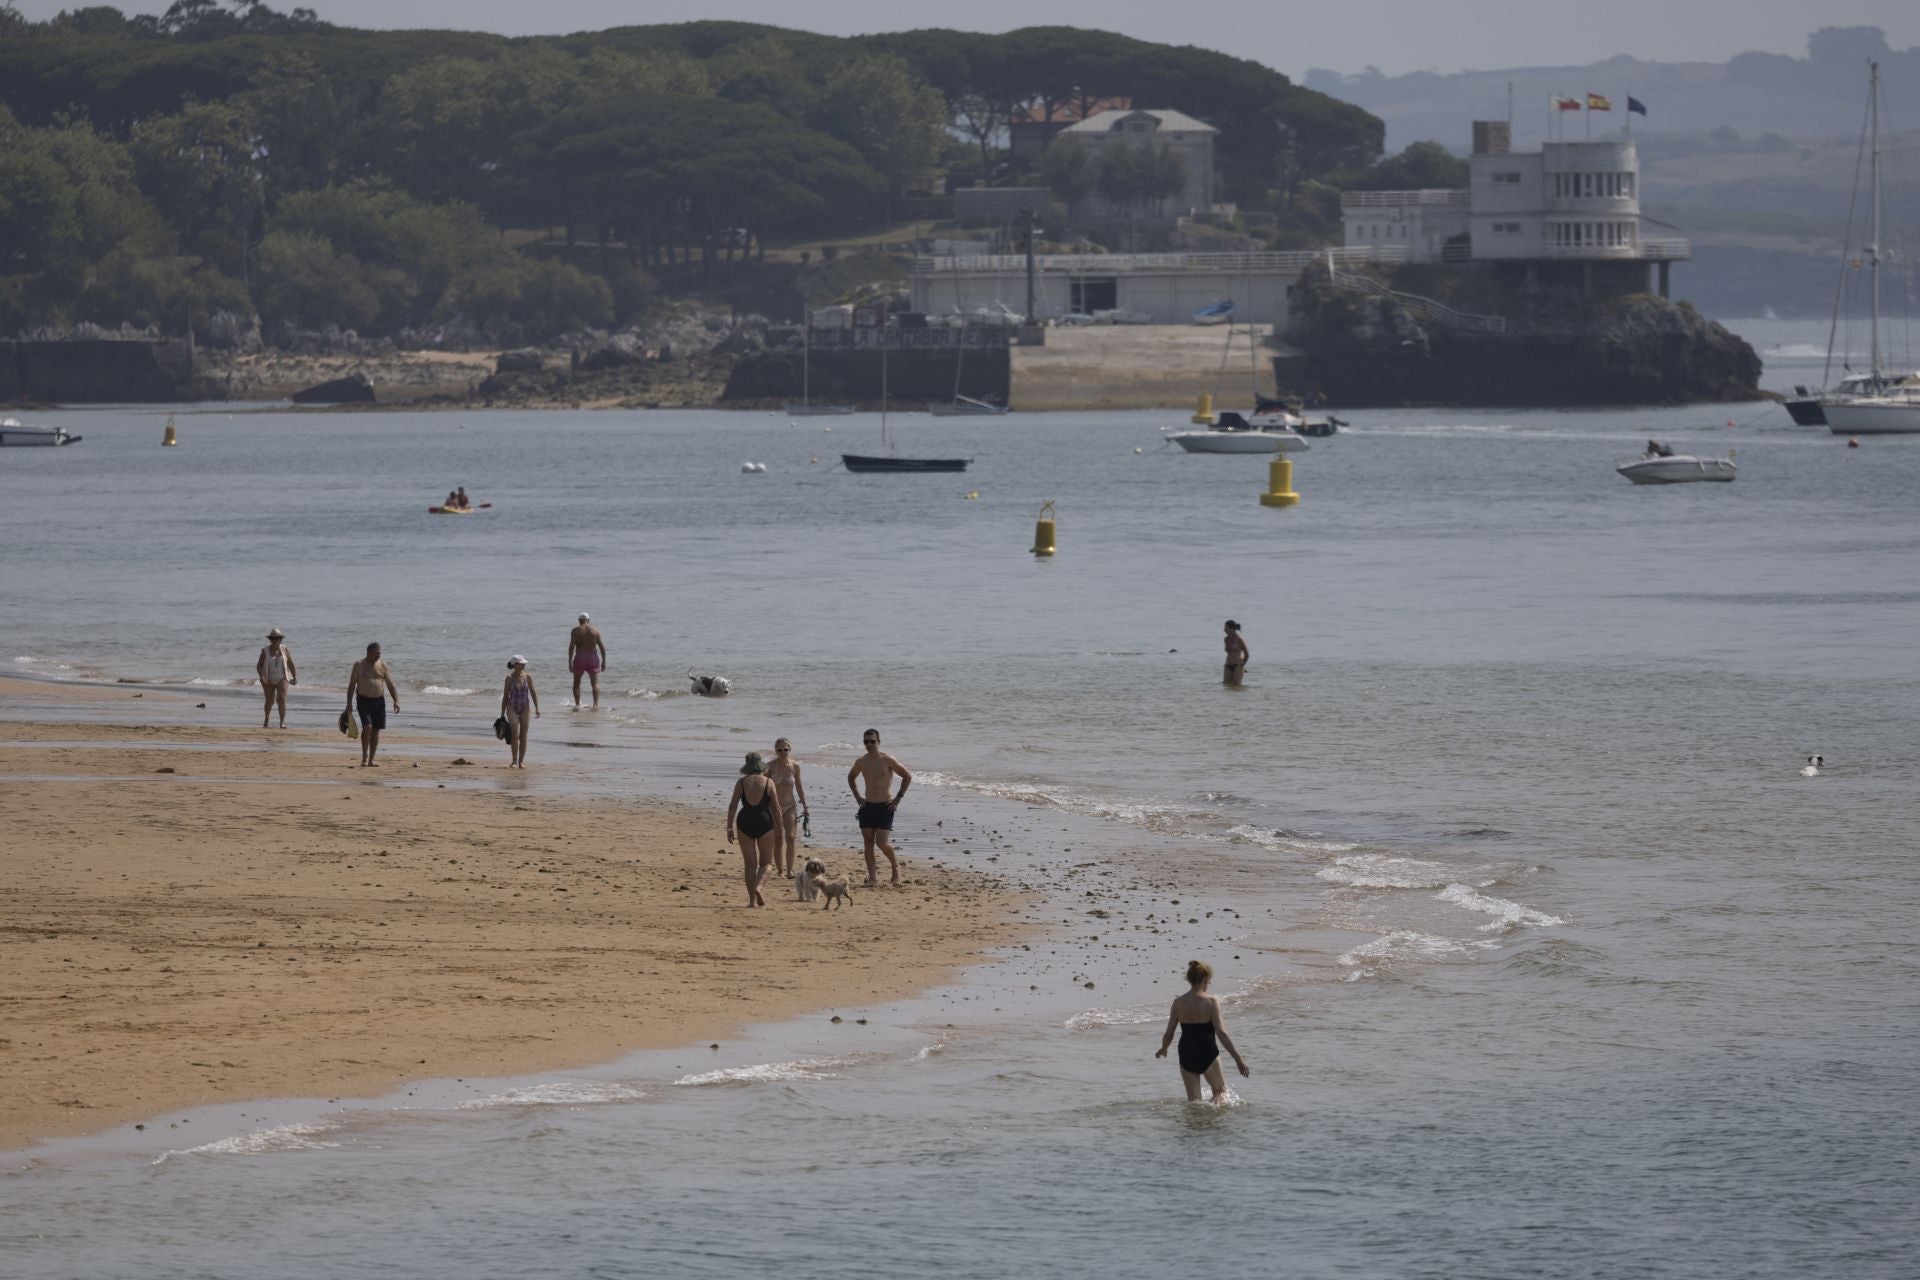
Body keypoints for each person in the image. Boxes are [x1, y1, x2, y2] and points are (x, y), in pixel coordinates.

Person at [1156, 959, 1250, 1103]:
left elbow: (1169, 1033)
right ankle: (1215, 1123)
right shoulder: (1211, 1001)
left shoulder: (1178, 1002)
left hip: (1186, 1054)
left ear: (1189, 979)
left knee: (1194, 1101)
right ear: (1205, 979)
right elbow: (1222, 1033)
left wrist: (1164, 1048)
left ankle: (1196, 1124)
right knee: (1220, 1092)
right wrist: (1238, 1059)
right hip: (1207, 1052)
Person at [847, 729, 911, 886]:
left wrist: (897, 799)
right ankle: (872, 878)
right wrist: (857, 795)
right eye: (866, 741)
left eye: (872, 741)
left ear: (878, 742)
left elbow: (907, 776)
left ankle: (895, 868)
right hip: (868, 806)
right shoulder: (861, 761)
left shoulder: (887, 759)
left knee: (881, 843)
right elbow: (851, 777)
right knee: (868, 843)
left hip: (885, 806)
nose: (869, 744)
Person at [726, 752, 784, 907]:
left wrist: (729, 827)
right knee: (766, 863)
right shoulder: (768, 782)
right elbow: (776, 808)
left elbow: (733, 806)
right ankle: (759, 887)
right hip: (765, 822)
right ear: (760, 766)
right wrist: (781, 828)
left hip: (745, 821)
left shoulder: (741, 783)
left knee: (750, 864)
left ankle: (751, 900)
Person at [345, 642, 399, 767]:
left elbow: (390, 684)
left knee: (376, 730)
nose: (378, 656)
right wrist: (349, 704)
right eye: (376, 653)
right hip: (363, 700)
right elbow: (352, 685)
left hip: (379, 701)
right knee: (367, 727)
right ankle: (364, 757)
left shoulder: (383, 665)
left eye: (379, 653)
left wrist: (396, 700)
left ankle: (371, 759)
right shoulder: (359, 665)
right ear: (369, 652)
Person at [766, 738, 810, 880]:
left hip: (790, 805)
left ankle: (790, 870)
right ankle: (780, 871)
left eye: (785, 749)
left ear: (790, 750)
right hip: (774, 807)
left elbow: (799, 787)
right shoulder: (769, 766)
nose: (783, 752)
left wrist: (805, 805)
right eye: (779, 750)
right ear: (775, 751)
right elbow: (763, 786)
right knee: (778, 838)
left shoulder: (795, 766)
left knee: (790, 837)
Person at [499, 656, 540, 768]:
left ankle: (521, 762)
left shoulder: (528, 677)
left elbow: (533, 693)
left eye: (524, 663)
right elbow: (506, 696)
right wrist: (502, 713)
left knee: (524, 735)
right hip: (512, 707)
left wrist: (537, 707)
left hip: (525, 707)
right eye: (521, 663)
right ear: (515, 665)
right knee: (514, 734)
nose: (524, 665)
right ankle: (514, 761)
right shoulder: (509, 678)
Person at [256, 628, 297, 728]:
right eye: (272, 639)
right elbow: (259, 665)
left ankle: (282, 722)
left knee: (281, 699)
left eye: (277, 639)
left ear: (280, 639)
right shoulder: (265, 650)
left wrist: (294, 677)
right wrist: (261, 676)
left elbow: (291, 664)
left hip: (282, 678)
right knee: (269, 701)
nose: (274, 641)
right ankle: (266, 718)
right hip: (268, 679)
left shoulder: (285, 649)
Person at [568, 612, 606, 709]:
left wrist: (569, 662)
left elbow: (571, 647)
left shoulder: (575, 631)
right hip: (592, 657)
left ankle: (577, 704)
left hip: (580, 657)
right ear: (588, 620)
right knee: (595, 683)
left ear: (579, 620)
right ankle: (595, 705)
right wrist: (604, 661)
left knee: (576, 683)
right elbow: (602, 647)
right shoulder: (595, 631)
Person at [1223, 620, 1248, 686]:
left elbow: (1247, 655)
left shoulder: (1239, 639)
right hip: (1227, 665)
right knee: (1226, 686)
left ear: (1232, 628)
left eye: (1226, 628)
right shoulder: (1226, 639)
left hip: (1237, 665)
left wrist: (1242, 666)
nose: (1224, 630)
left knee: (1237, 686)